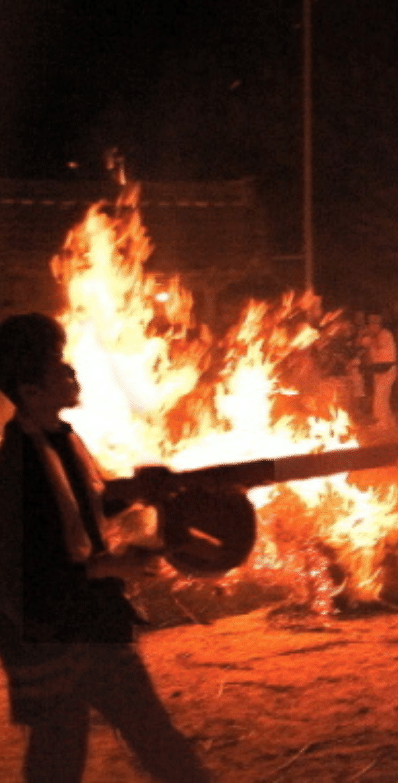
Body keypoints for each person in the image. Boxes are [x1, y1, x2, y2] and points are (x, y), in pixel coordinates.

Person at [0, 313, 212, 783]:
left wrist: (137, 491)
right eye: (58, 366)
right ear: (30, 391)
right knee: (67, 745)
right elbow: (24, 571)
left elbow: (82, 510)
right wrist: (111, 565)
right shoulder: (17, 467)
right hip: (49, 633)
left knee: (142, 734)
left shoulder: (61, 438)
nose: (70, 371)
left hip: (89, 618)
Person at [362, 312, 398, 430]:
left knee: (380, 397)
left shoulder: (386, 334)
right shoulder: (370, 336)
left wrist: (371, 336)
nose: (373, 325)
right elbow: (362, 346)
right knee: (382, 397)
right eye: (371, 323)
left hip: (388, 369)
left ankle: (381, 424)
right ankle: (389, 421)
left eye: (376, 323)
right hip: (377, 370)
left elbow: (378, 344)